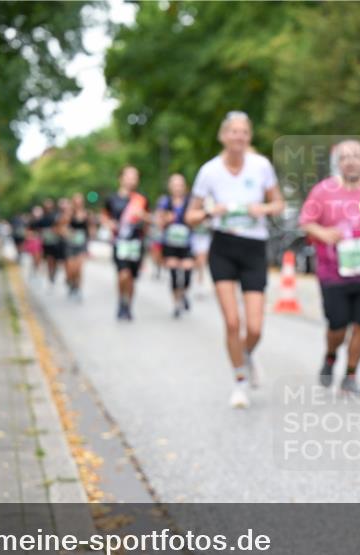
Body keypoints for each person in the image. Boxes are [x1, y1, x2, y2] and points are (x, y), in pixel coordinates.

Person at [186, 111, 285, 409]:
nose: (239, 137)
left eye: (244, 132)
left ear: (248, 137)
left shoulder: (261, 166)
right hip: (223, 247)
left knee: (254, 327)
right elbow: (190, 216)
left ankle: (247, 354)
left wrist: (263, 209)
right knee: (232, 322)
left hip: (254, 247)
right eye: (233, 132)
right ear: (223, 136)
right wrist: (209, 212)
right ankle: (239, 381)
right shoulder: (209, 171)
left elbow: (279, 204)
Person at [299, 139, 360, 397]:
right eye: (344, 157)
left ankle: (351, 374)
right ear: (338, 163)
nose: (350, 161)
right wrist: (324, 233)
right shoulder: (323, 191)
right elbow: (306, 222)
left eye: (355, 156)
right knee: (337, 325)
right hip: (333, 272)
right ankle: (330, 356)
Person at [101, 166, 150, 321]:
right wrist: (109, 224)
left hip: (136, 243)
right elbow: (104, 216)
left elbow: (150, 219)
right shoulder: (112, 198)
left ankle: (128, 305)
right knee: (123, 274)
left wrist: (143, 216)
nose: (132, 179)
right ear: (121, 178)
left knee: (132, 278)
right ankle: (121, 300)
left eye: (135, 177)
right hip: (120, 242)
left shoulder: (141, 199)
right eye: (129, 176)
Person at [157, 174, 194, 318]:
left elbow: (196, 220)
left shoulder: (190, 202)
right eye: (175, 184)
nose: (177, 188)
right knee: (173, 274)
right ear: (170, 187)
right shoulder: (165, 202)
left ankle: (183, 293)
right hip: (171, 243)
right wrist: (166, 220)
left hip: (187, 243)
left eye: (180, 185)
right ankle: (176, 304)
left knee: (186, 275)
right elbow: (159, 221)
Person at [64, 193, 93, 300]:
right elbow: (62, 226)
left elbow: (90, 228)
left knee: (79, 268)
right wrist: (68, 232)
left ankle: (78, 289)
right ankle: (71, 284)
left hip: (82, 243)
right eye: (76, 201)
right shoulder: (69, 213)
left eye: (80, 201)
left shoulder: (87, 214)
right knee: (71, 269)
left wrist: (90, 236)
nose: (78, 203)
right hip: (71, 244)